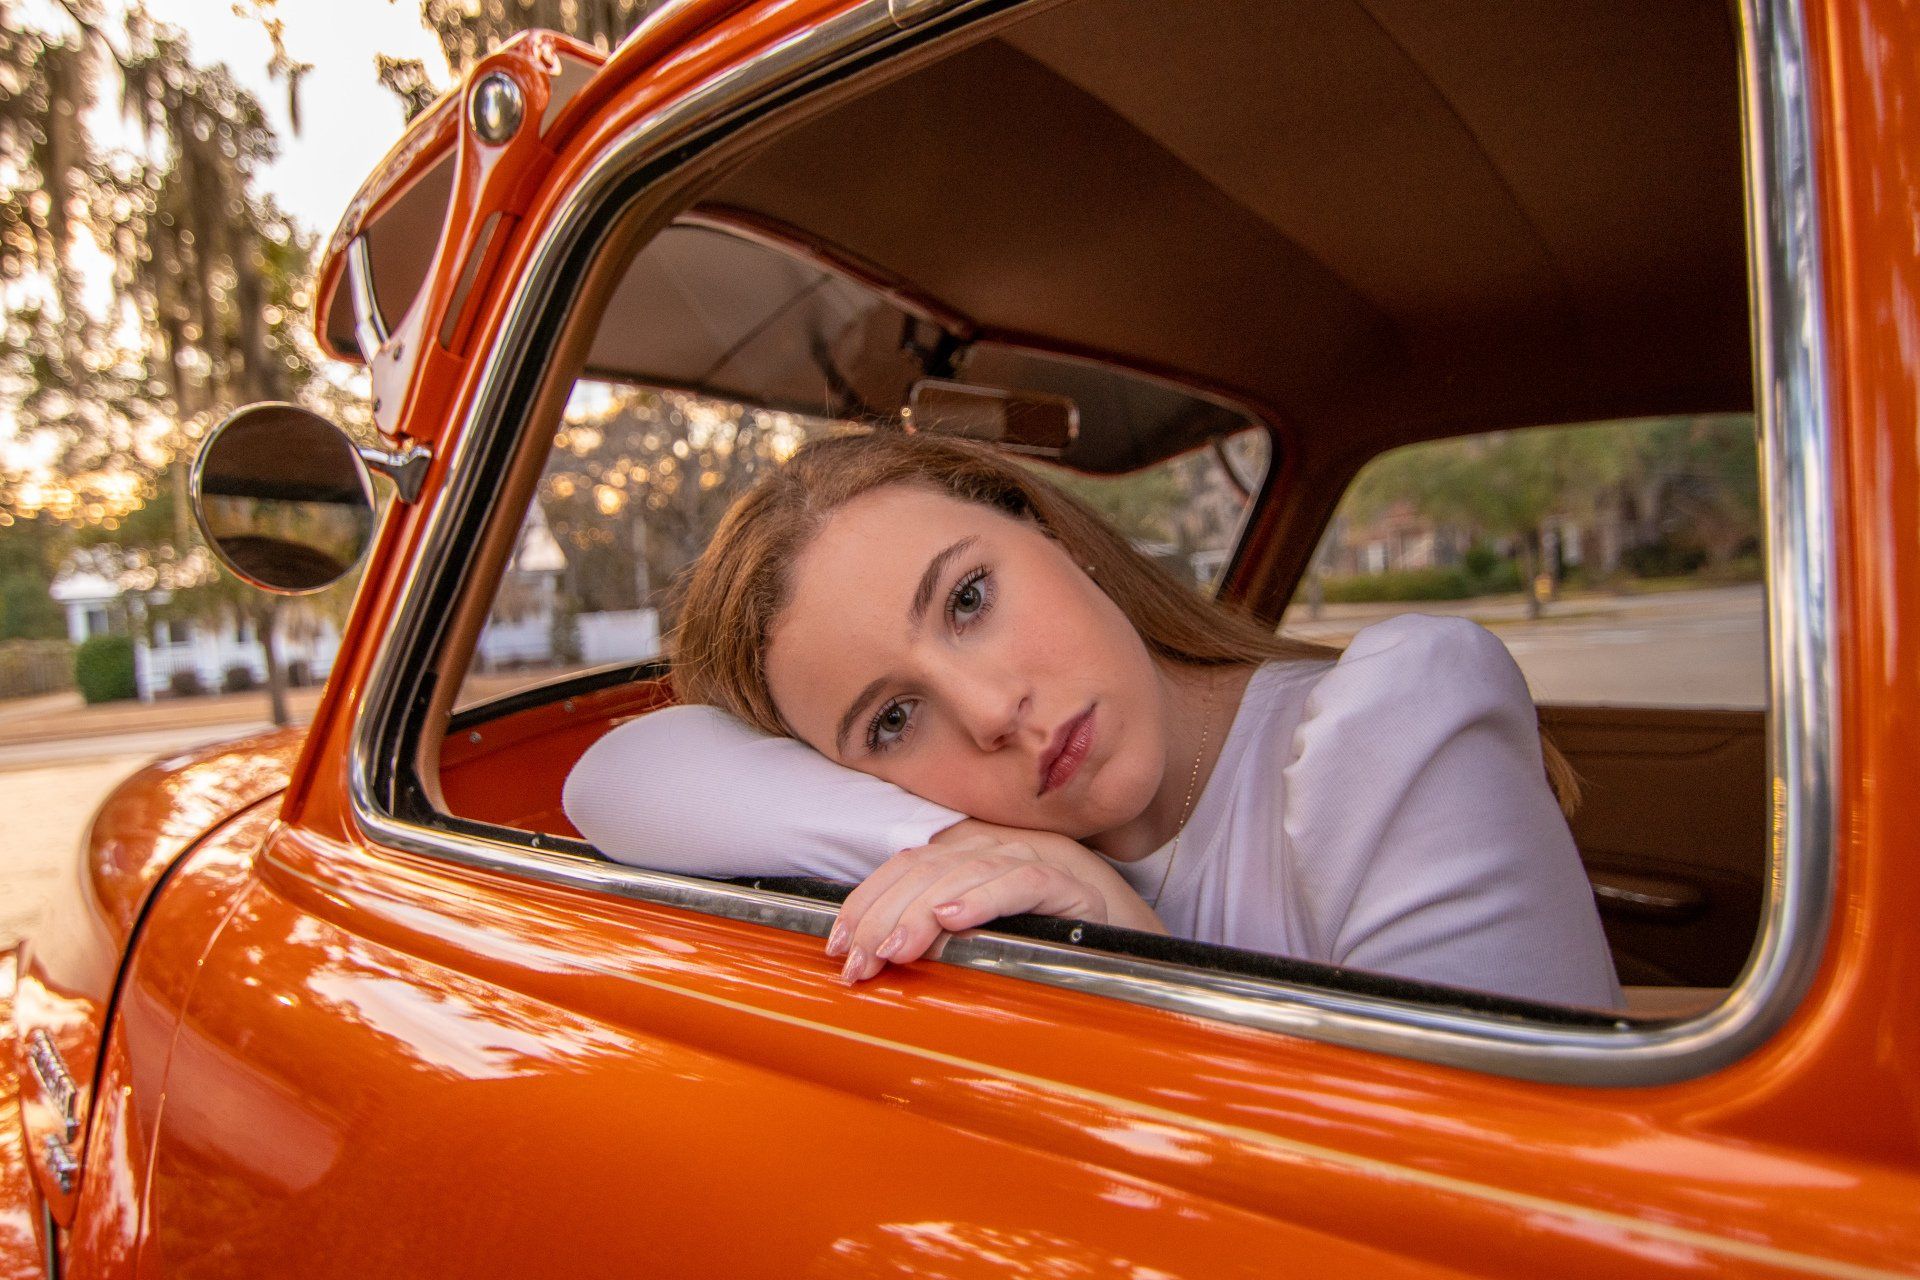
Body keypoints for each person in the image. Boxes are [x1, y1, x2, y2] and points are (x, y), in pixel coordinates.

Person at [563, 430, 1622, 1010]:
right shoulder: (966, 851)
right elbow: (616, 775)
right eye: (892, 720)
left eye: (969, 598)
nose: (990, 712)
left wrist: (1132, 955)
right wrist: (954, 842)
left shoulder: (1389, 728)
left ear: (1053, 536)